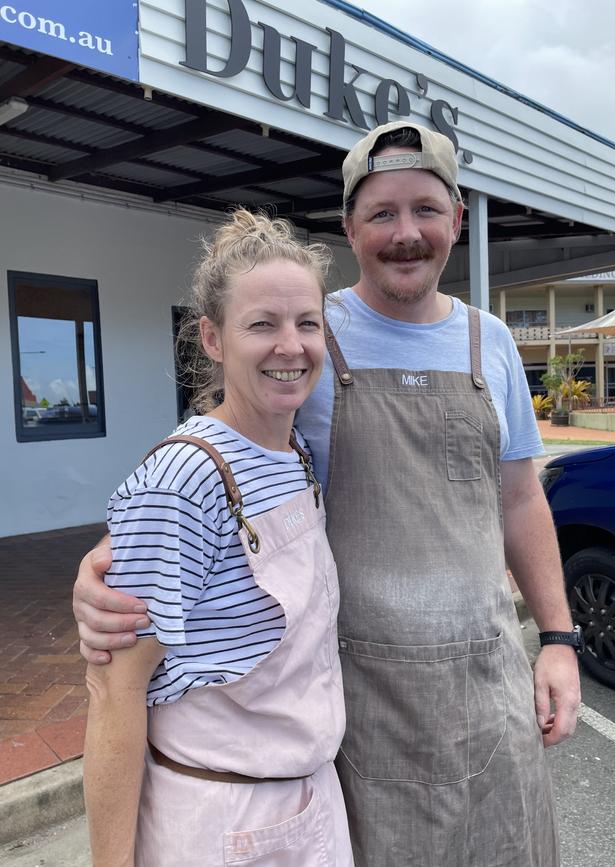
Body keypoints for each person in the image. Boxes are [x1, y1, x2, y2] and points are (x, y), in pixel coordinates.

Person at [74, 122, 581, 866]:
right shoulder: (313, 333)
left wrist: (560, 638)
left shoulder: (493, 341)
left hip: (489, 681)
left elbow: (519, 498)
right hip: (361, 705)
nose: (405, 233)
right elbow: (202, 475)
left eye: (425, 210)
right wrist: (105, 567)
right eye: (381, 213)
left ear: (457, 222)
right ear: (350, 227)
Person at [82, 209, 353, 866]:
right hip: (219, 820)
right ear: (212, 338)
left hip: (311, 802)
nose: (291, 346)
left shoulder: (296, 454)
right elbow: (114, 692)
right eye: (262, 324)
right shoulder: (183, 476)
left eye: (306, 323)